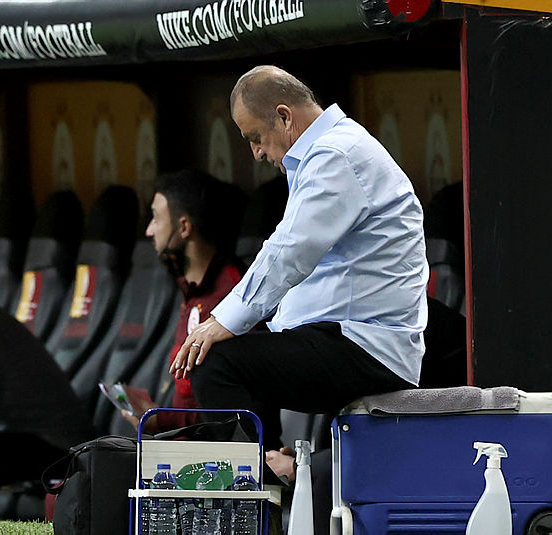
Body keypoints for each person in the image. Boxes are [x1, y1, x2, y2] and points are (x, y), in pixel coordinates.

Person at [169, 65, 429, 451]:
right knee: (244, 352)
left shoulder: (337, 155)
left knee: (215, 364)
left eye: (255, 137)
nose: (256, 152)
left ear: (284, 116)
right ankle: (271, 465)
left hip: (365, 346)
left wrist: (222, 320)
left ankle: (251, 482)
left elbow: (290, 251)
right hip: (348, 337)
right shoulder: (334, 150)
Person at [122, 169, 245, 433]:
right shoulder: (190, 292)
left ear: (184, 227)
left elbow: (230, 416)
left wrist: (160, 422)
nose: (149, 230)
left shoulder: (233, 299)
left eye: (156, 218)